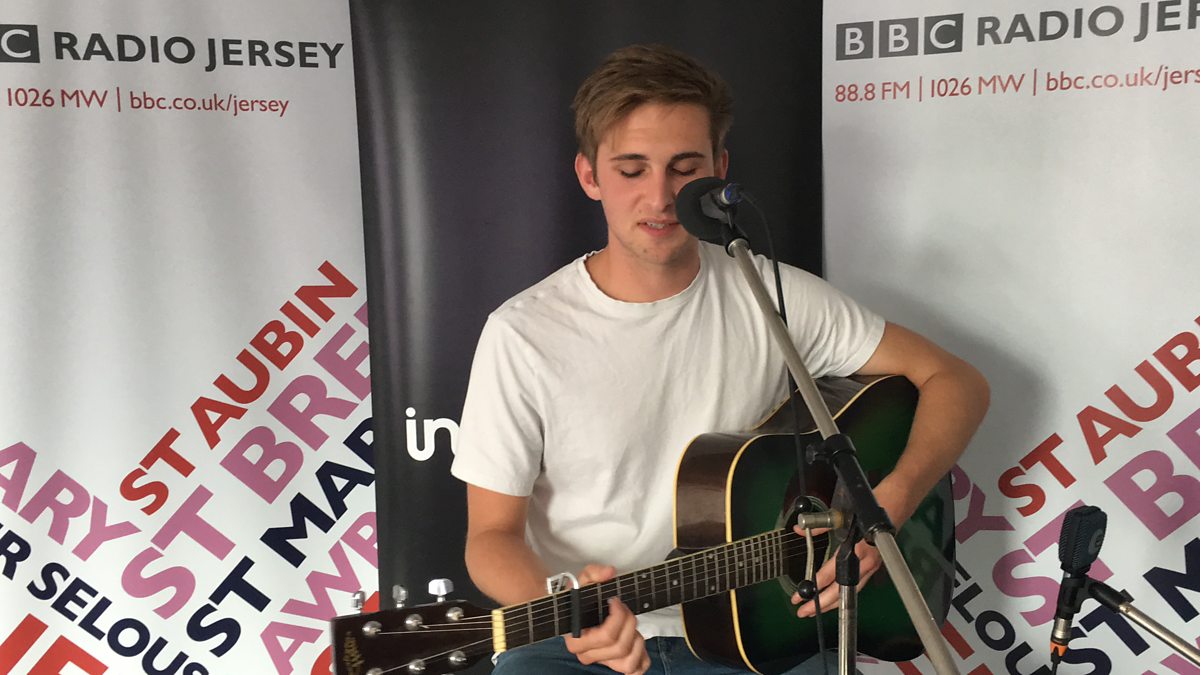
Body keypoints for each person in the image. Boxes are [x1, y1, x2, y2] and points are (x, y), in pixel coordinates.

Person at [450, 44, 989, 675]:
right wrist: (570, 614)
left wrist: (888, 505)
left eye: (684, 168)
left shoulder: (767, 292)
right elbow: (491, 539)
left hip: (760, 622)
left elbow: (957, 381)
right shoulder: (523, 334)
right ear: (589, 176)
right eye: (631, 170)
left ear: (719, 170)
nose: (660, 197)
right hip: (575, 640)